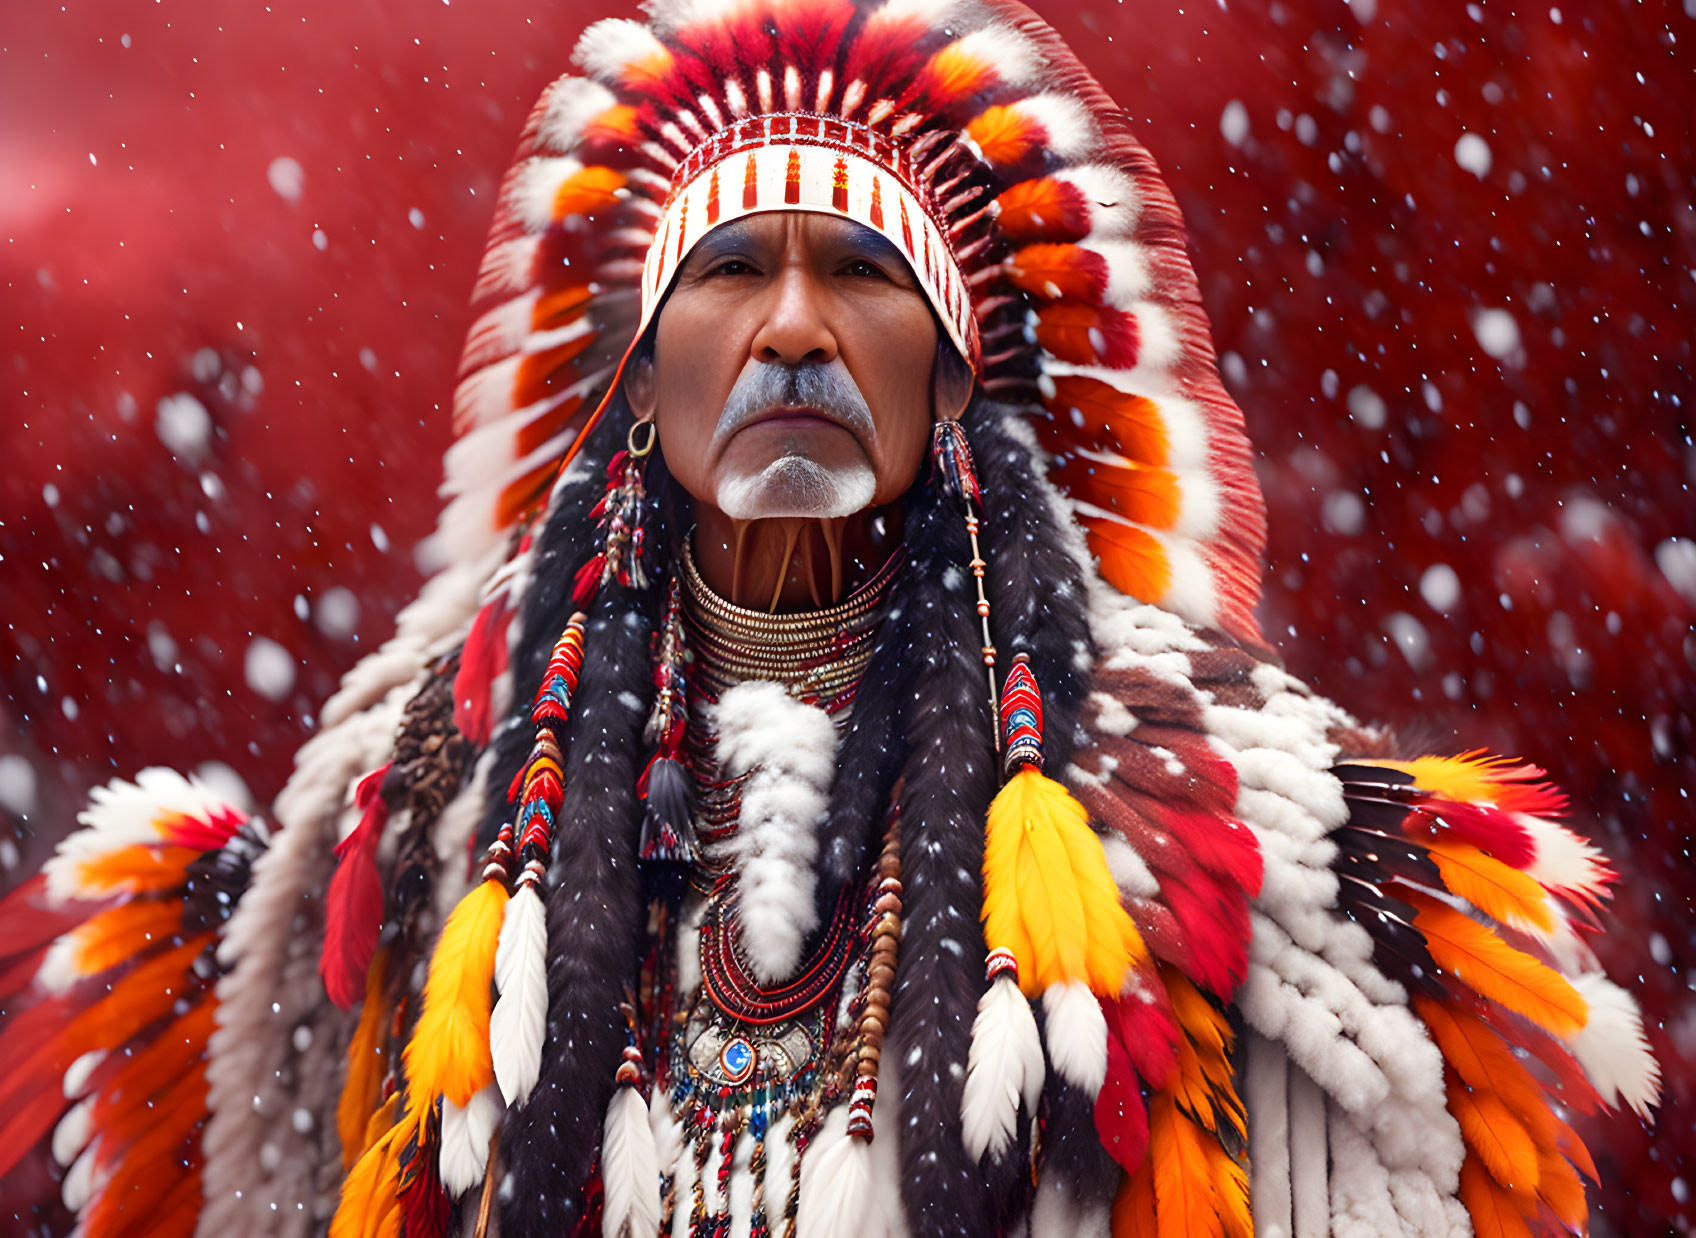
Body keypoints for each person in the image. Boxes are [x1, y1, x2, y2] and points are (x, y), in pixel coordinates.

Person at [0, 1, 1660, 1235]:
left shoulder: (1218, 828)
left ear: (952, 374)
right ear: (642, 376)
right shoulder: (428, 805)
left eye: (863, 274)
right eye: (728, 275)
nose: (793, 327)